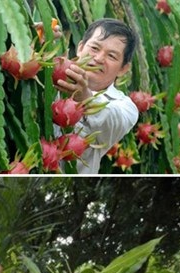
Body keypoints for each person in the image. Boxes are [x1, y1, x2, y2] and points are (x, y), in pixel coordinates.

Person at [54, 18, 139, 174]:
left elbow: (110, 120)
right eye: (94, 48)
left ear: (123, 69)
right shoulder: (52, 73)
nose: (99, 58)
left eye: (111, 56)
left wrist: (84, 97)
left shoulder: (126, 108)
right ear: (80, 47)